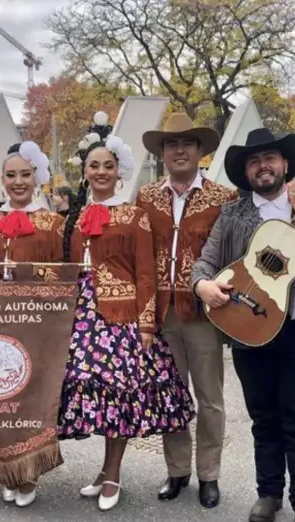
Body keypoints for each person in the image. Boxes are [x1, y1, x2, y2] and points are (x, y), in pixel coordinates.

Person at [192, 128, 295, 522]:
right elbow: (204, 262)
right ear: (246, 172)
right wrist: (202, 285)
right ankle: (269, 494)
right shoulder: (232, 214)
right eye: (254, 161)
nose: (263, 166)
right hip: (249, 324)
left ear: (285, 164)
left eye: (269, 158)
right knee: (264, 417)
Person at [57, 116, 195, 512]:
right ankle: (102, 471)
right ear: (85, 171)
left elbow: (147, 273)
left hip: (121, 317)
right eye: (94, 166)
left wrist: (147, 322)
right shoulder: (77, 217)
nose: (101, 172)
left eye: (108, 166)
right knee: (90, 392)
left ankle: (113, 472)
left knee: (118, 394)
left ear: (119, 171)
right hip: (80, 316)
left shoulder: (135, 215)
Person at [135, 113, 237, 508]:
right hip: (161, 313)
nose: (179, 150)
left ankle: (209, 473)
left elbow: (233, 255)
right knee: (171, 393)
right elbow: (137, 257)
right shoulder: (146, 197)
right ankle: (177, 470)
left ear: (199, 151)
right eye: (171, 144)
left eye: (187, 144)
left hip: (204, 312)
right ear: (162, 153)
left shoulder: (222, 197)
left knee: (210, 396)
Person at [0, 141, 64, 507]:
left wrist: (22, 273)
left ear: (37, 177)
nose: (18, 182)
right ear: (2, 179)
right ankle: (4, 469)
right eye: (11, 175)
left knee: (31, 400)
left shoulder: (54, 223)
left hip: (37, 324)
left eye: (25, 175)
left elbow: (63, 274)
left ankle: (28, 472)